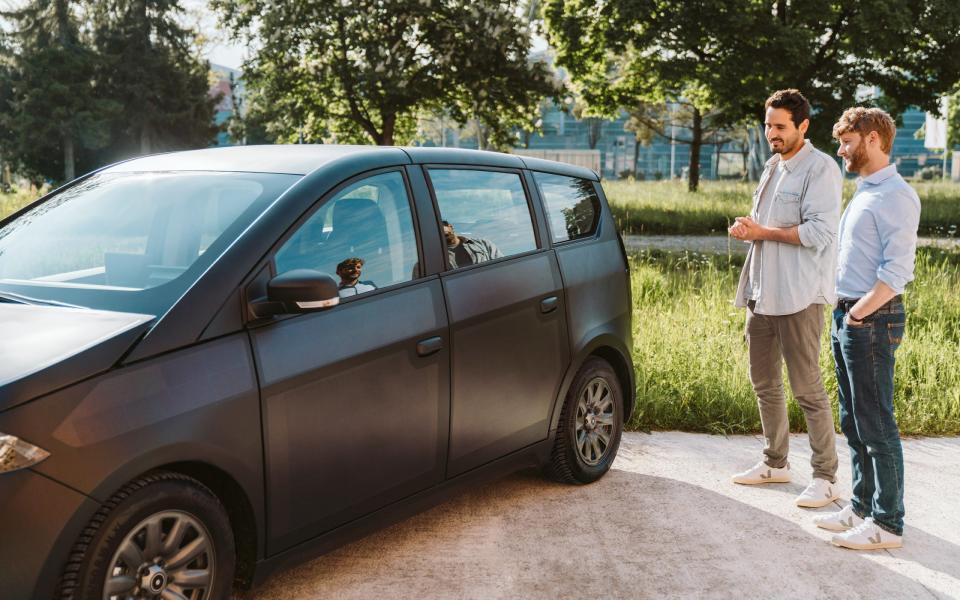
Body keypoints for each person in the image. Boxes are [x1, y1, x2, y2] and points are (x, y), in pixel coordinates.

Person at [728, 89, 843, 508]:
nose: (771, 133)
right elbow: (768, 227)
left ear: (803, 126)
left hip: (799, 296)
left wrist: (763, 233)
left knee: (807, 389)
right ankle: (775, 463)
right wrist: (749, 229)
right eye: (767, 125)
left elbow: (818, 233)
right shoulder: (772, 166)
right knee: (763, 382)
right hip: (762, 290)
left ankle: (826, 476)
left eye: (779, 126)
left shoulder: (821, 169)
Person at [812, 107, 920, 550]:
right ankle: (861, 506)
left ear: (872, 139)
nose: (841, 149)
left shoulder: (895, 195)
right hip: (848, 315)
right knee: (853, 420)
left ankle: (888, 524)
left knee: (876, 423)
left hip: (871, 319)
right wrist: (843, 312)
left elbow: (897, 273)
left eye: (847, 142)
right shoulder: (866, 191)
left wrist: (858, 314)